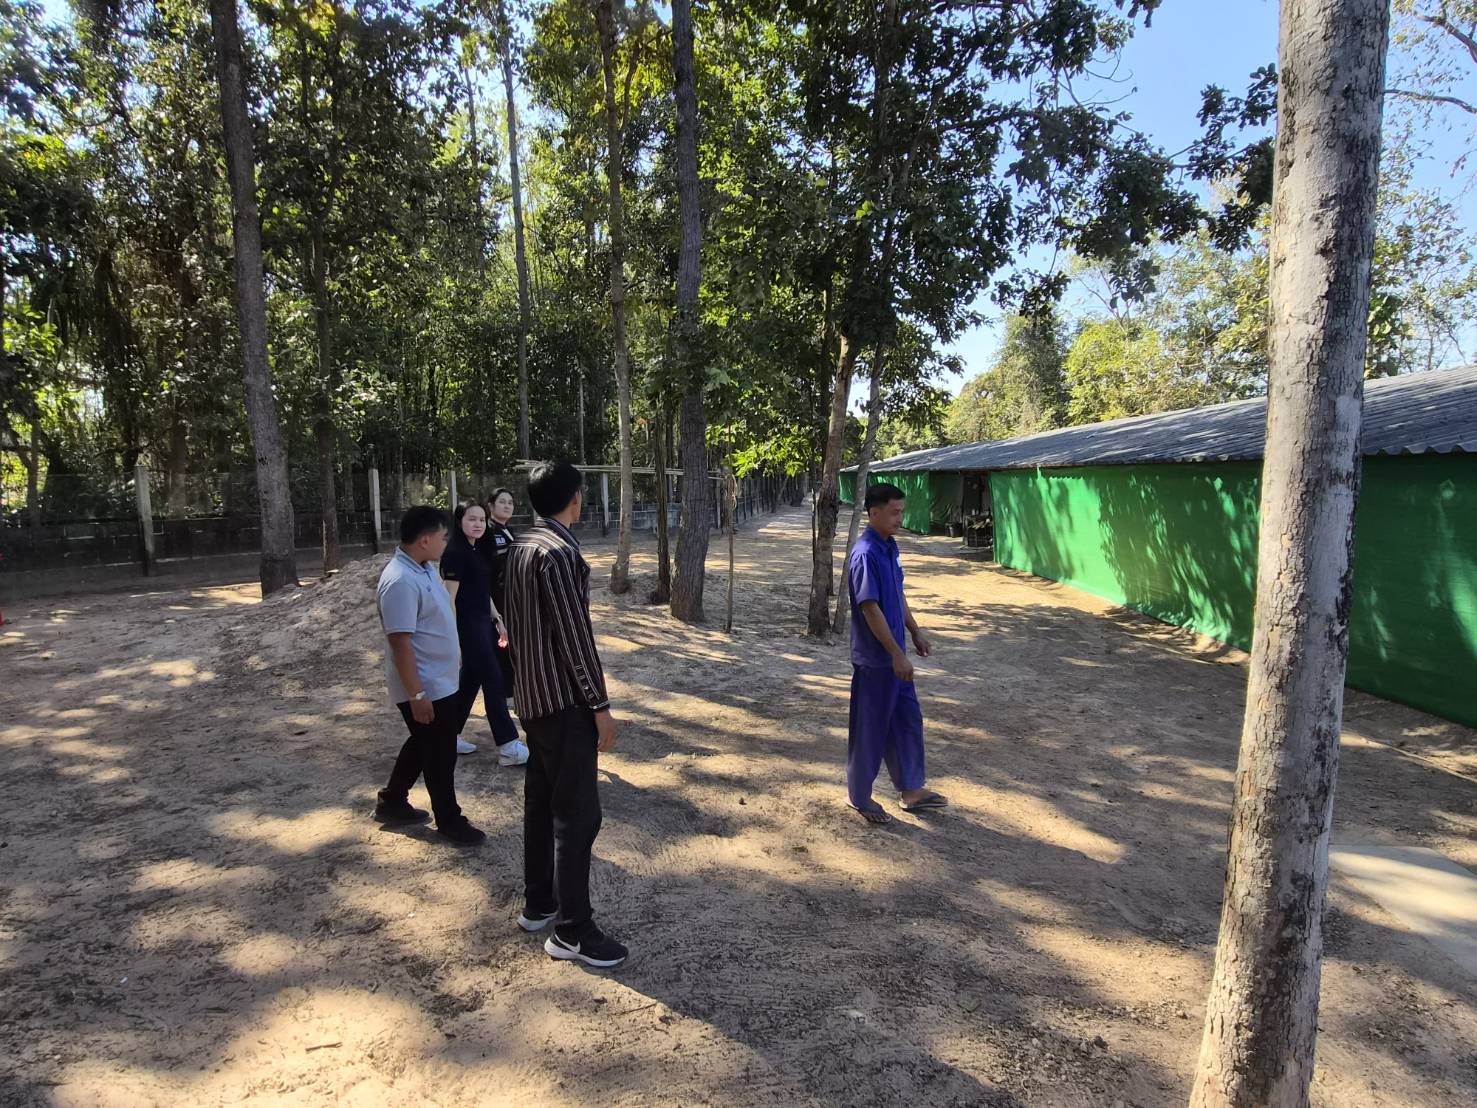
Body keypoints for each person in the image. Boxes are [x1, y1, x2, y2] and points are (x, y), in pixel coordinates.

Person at [503, 461, 628, 968]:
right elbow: (575, 638)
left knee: (541, 804)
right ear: (576, 498)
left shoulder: (520, 545)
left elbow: (517, 626)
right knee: (578, 816)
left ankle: (539, 903)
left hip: (533, 701)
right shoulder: (557, 553)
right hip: (563, 705)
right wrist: (600, 706)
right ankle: (573, 931)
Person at [374, 505, 486, 845]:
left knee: (426, 742)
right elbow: (400, 644)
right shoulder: (399, 580)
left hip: (439, 680)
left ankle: (392, 800)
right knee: (440, 753)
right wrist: (417, 694)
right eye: (442, 536)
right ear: (425, 540)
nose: (445, 542)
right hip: (424, 685)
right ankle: (449, 819)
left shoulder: (423, 569)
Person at [845, 483, 948, 825]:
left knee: (907, 720)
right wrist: (894, 653)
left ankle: (912, 790)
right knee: (870, 729)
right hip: (877, 661)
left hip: (896, 659)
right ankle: (859, 796)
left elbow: (897, 593)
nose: (900, 519)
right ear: (874, 513)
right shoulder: (865, 554)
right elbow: (870, 608)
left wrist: (914, 630)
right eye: (894, 513)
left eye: (902, 512)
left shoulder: (890, 546)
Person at [441, 501, 530, 766]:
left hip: (483, 623)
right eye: (472, 519)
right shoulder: (455, 553)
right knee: (493, 681)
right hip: (467, 628)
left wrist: (497, 619)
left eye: (481, 519)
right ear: (459, 521)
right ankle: (508, 746)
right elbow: (449, 599)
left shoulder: (478, 549)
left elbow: (483, 591)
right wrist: (454, 639)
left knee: (470, 682)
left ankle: (448, 736)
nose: (478, 524)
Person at [484, 487, 519, 697]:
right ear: (491, 505)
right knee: (501, 646)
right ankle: (504, 694)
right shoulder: (487, 532)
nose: (507, 506)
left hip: (511, 599)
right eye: (502, 502)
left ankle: (509, 691)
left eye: (510, 503)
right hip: (495, 601)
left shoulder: (509, 531)